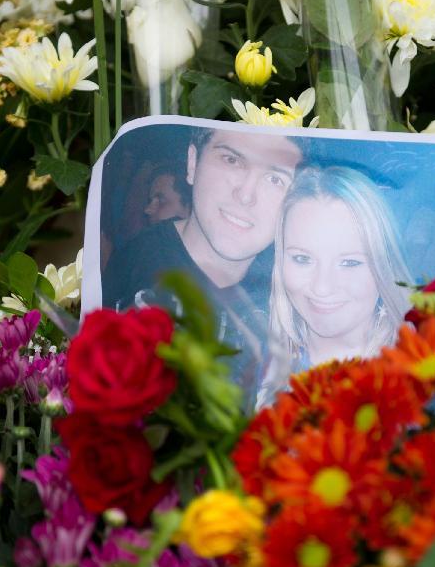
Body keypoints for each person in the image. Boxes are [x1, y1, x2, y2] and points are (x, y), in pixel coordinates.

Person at [102, 126, 304, 398]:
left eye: (274, 178)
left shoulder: (305, 296)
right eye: (231, 160)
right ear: (192, 162)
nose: (246, 195)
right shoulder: (133, 263)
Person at [258, 165, 412, 405]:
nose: (322, 288)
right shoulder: (248, 360)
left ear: (385, 265)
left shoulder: (427, 377)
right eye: (302, 259)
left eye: (349, 262)